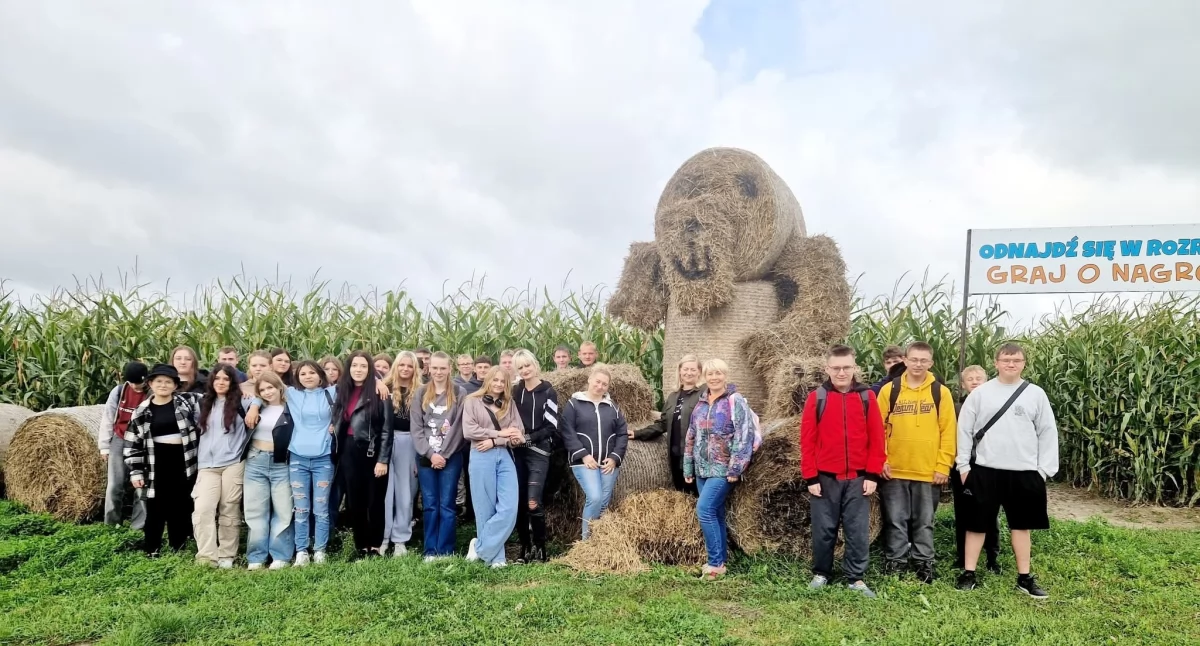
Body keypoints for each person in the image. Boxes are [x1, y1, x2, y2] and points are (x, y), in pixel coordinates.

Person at [955, 343, 1058, 599]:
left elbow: (1047, 431)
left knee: (1021, 526)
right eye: (1006, 359)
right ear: (996, 362)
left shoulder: (1035, 394)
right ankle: (969, 573)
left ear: (1024, 363)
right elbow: (965, 429)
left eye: (1016, 360)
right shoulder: (980, 394)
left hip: (1024, 472)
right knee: (976, 525)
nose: (1011, 364)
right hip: (985, 470)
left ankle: (1024, 578)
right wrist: (964, 466)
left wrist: (1043, 470)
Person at [800, 345, 886, 598]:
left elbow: (877, 438)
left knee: (857, 530)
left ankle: (856, 578)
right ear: (827, 369)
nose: (841, 372)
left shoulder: (867, 397)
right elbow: (807, 440)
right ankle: (822, 573)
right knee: (823, 529)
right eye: (836, 368)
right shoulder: (817, 398)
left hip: (858, 479)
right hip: (825, 479)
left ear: (854, 367)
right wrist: (811, 476)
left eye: (846, 367)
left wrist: (872, 474)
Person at [876, 341, 957, 583]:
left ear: (930, 363)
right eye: (914, 359)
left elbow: (948, 431)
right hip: (895, 469)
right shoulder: (889, 391)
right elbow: (877, 429)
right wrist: (882, 459)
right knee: (895, 519)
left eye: (924, 360)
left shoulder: (940, 392)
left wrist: (943, 466)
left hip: (928, 470)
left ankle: (924, 562)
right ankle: (896, 561)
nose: (918, 364)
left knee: (924, 521)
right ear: (906, 361)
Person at [683, 359, 755, 580]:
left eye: (718, 373)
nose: (714, 378)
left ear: (725, 375)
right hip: (702, 469)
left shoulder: (735, 401)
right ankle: (721, 560)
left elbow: (745, 435)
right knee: (715, 513)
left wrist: (735, 467)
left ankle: (714, 564)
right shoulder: (701, 402)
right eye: (710, 374)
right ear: (705, 377)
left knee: (704, 510)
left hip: (723, 469)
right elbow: (691, 435)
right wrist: (688, 466)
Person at [125, 364, 203, 556]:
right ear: (150, 383)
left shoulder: (187, 402)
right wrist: (135, 472)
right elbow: (132, 443)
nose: (163, 385)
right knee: (155, 506)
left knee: (180, 504)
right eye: (158, 381)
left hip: (183, 460)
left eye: (168, 382)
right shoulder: (142, 411)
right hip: (156, 461)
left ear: (175, 385)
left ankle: (178, 545)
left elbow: (215, 395)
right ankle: (152, 547)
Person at [192, 364, 256, 569]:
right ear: (211, 381)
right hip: (206, 465)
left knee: (229, 508)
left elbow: (263, 399)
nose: (221, 382)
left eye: (226, 379)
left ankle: (227, 555)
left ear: (232, 382)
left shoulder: (241, 402)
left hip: (233, 462)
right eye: (217, 378)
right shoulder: (201, 403)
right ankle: (207, 555)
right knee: (203, 509)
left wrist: (254, 405)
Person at [461, 366, 525, 567]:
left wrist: (500, 440)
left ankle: (479, 547)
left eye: (502, 381)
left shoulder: (509, 403)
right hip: (480, 455)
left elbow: (517, 431)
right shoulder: (472, 401)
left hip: (504, 455)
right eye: (495, 380)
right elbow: (469, 430)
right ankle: (496, 557)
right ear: (488, 380)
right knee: (484, 507)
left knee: (509, 507)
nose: (498, 384)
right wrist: (500, 434)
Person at [333, 351, 394, 558]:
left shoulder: (380, 393)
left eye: (363, 366)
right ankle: (361, 546)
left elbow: (387, 429)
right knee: (354, 500)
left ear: (370, 370)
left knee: (375, 500)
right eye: (354, 366)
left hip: (372, 449)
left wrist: (383, 459)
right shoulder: (342, 390)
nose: (358, 370)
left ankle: (375, 546)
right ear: (348, 369)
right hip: (349, 450)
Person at [411, 352, 468, 561]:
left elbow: (459, 427)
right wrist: (429, 453)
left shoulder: (459, 392)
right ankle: (430, 550)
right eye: (435, 368)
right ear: (429, 368)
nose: (438, 372)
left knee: (447, 503)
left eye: (443, 368)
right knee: (430, 503)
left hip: (450, 456)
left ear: (449, 369)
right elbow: (416, 428)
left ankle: (445, 549)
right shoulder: (421, 393)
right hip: (426, 457)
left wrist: (443, 454)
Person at [561, 364, 628, 539]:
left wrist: (614, 458)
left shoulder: (612, 407)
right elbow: (567, 431)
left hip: (608, 463)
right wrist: (583, 454)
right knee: (595, 497)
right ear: (589, 380)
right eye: (597, 382)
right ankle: (586, 543)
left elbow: (622, 433)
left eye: (604, 384)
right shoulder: (574, 404)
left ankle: (599, 543)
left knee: (604, 504)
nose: (600, 386)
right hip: (584, 462)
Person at [285, 360, 337, 567]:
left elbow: (361, 383)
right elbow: (258, 384)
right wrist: (253, 406)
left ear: (320, 375)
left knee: (321, 508)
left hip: (323, 457)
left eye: (312, 373)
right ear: (298, 377)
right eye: (303, 373)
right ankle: (301, 551)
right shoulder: (291, 394)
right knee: (301, 508)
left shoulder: (332, 393)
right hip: (298, 457)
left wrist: (379, 383)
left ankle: (320, 550)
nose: (307, 376)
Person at [511, 350, 560, 564]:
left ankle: (541, 549)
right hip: (516, 452)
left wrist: (528, 438)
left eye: (527, 365)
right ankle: (525, 548)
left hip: (538, 451)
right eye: (520, 367)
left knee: (533, 502)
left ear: (535, 364)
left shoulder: (548, 391)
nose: (524, 370)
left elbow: (551, 426)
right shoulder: (515, 390)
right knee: (520, 502)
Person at [243, 372, 295, 570]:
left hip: (282, 462)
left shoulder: (291, 406)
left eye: (270, 387)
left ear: (279, 387)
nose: (267, 392)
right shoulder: (254, 407)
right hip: (256, 460)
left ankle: (280, 555)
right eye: (262, 390)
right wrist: (255, 404)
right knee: (255, 511)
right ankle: (256, 557)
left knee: (283, 511)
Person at [951, 364, 1000, 572]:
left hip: (989, 467)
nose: (974, 381)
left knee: (991, 512)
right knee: (963, 512)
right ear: (963, 385)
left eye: (978, 377)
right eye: (969, 378)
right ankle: (963, 556)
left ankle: (992, 556)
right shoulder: (955, 408)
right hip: (962, 466)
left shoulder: (996, 406)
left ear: (987, 381)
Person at [632, 354, 702, 494]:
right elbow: (662, 424)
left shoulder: (704, 393)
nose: (689, 373)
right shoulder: (673, 396)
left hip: (695, 454)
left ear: (699, 372)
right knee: (681, 493)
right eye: (685, 369)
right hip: (675, 454)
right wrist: (637, 433)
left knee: (696, 493)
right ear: (680, 371)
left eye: (693, 370)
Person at [99, 361, 150, 529]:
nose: (136, 386)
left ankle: (138, 527)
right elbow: (108, 417)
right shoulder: (119, 391)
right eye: (132, 383)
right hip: (119, 439)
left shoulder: (151, 393)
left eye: (140, 383)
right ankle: (111, 525)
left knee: (141, 486)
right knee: (114, 485)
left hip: (141, 442)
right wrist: (104, 446)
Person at [382, 351, 420, 556]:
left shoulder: (421, 391)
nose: (405, 369)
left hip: (410, 440)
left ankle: (400, 539)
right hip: (387, 440)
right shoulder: (384, 387)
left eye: (410, 366)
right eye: (402, 365)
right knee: (386, 493)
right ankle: (384, 537)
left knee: (406, 493)